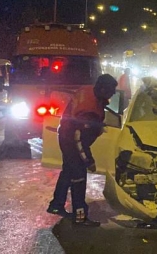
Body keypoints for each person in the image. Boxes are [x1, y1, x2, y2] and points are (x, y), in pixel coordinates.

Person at [47, 74, 118, 226]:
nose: (113, 93)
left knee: (67, 172)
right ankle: (80, 217)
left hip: (65, 134)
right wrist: (89, 161)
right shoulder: (89, 111)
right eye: (111, 90)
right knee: (78, 177)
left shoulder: (87, 90)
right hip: (72, 142)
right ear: (103, 89)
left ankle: (56, 205)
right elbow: (79, 140)